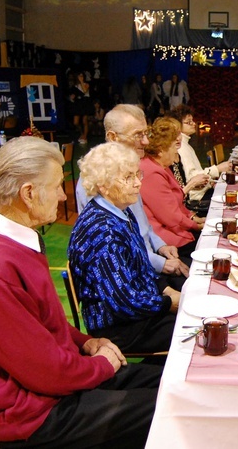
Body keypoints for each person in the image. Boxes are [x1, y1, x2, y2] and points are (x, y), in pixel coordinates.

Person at [0, 137, 162, 448]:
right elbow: (45, 373)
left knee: (171, 383)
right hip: (35, 416)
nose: (62, 195)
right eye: (58, 185)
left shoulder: (12, 238)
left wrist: (87, 342)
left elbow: (43, 325)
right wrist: (100, 365)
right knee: (171, 410)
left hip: (57, 386)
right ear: (28, 193)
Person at [70, 142, 179, 354]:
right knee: (194, 329)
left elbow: (140, 267)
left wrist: (166, 290)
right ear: (103, 185)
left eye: (138, 174)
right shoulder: (102, 231)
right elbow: (123, 302)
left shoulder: (121, 210)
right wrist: (169, 302)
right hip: (119, 326)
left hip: (139, 308)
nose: (138, 183)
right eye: (128, 178)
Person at [76, 104, 190, 291]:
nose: (145, 141)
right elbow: (117, 249)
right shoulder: (97, 177)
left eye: (146, 133)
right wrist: (160, 264)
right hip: (132, 276)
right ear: (113, 137)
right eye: (138, 135)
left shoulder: (130, 169)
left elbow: (143, 226)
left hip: (149, 262)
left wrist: (161, 246)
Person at [140, 116, 204, 256]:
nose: (177, 152)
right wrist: (196, 226)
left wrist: (193, 217)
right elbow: (170, 216)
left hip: (177, 230)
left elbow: (177, 204)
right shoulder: (151, 172)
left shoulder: (162, 166)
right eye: (174, 147)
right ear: (161, 150)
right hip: (167, 240)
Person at [172, 105, 227, 206]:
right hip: (197, 198)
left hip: (202, 191)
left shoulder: (185, 144)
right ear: (177, 126)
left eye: (192, 121)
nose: (193, 124)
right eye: (189, 122)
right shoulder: (181, 147)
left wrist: (210, 181)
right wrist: (217, 169)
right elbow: (191, 177)